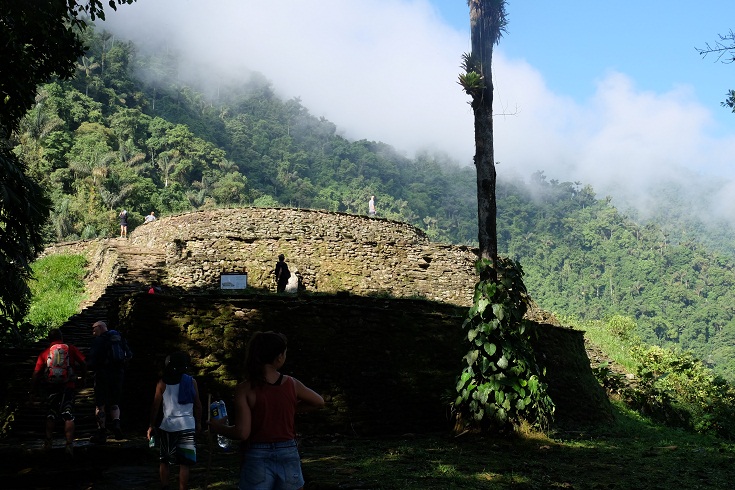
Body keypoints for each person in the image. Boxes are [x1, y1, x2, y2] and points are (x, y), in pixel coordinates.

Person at [209, 331, 324, 490]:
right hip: (288, 451)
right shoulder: (292, 384)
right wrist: (286, 408)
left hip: (257, 454)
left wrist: (218, 427)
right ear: (279, 357)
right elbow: (319, 402)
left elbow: (242, 433)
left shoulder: (245, 389)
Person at [147, 351, 202, 490]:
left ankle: (165, 487)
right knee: (185, 463)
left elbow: (155, 406)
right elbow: (198, 405)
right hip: (187, 425)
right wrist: (198, 423)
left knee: (165, 460)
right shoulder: (191, 382)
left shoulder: (162, 383)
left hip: (168, 426)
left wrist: (151, 425)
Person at [30, 328, 86, 456]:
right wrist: (83, 378)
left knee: (51, 413)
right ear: (62, 337)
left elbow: (36, 373)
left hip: (52, 387)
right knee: (68, 413)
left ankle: (48, 443)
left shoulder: (45, 353)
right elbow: (83, 362)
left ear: (49, 339)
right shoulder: (70, 349)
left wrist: (32, 392)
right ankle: (69, 445)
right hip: (68, 386)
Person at [88, 320, 133, 444]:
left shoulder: (99, 340)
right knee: (115, 403)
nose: (93, 332)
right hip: (118, 375)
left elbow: (92, 360)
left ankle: (102, 431)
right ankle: (116, 425)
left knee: (100, 404)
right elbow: (129, 355)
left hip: (102, 375)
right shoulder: (119, 338)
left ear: (100, 327)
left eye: (94, 329)